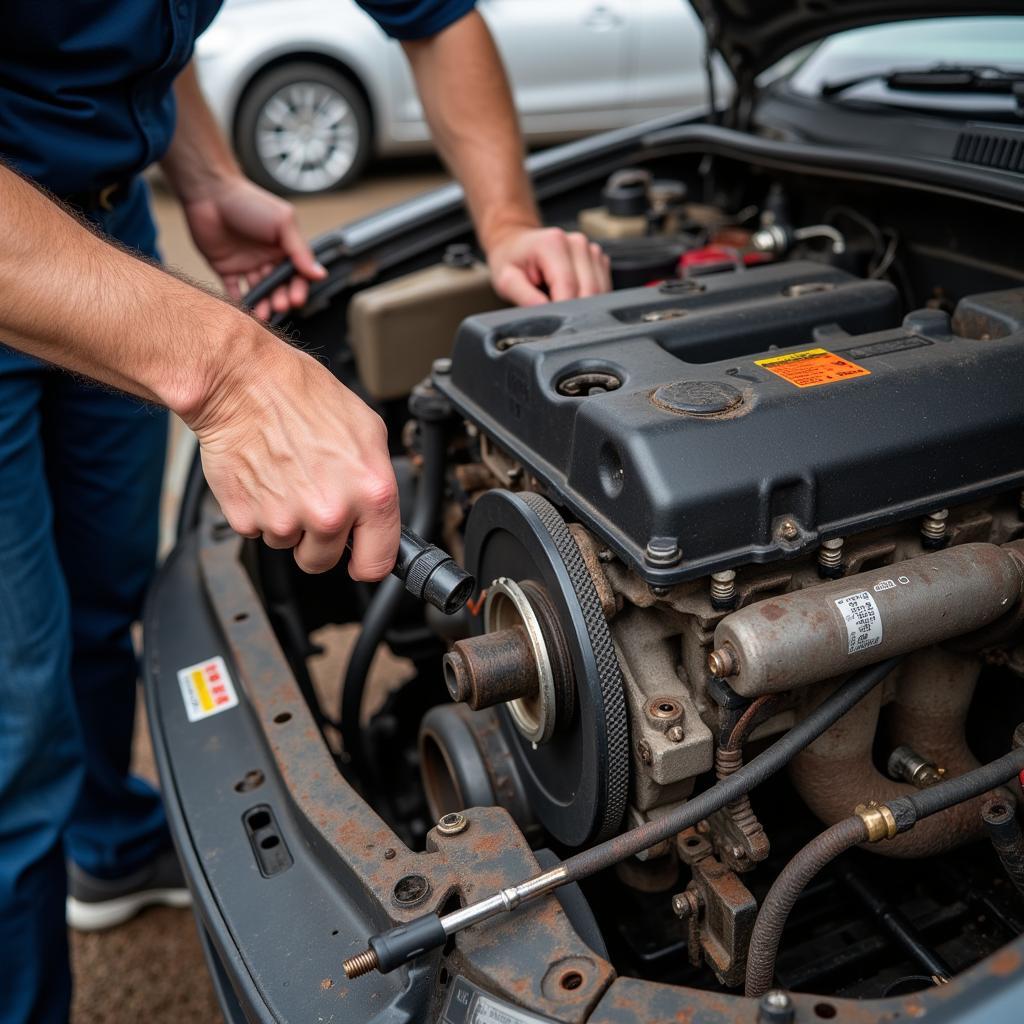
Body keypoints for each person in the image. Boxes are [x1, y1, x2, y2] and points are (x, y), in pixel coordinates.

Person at [0, 3, 609, 1021]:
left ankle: (107, 846)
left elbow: (437, 15)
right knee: (15, 716)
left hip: (108, 232)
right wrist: (231, 372)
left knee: (106, 601)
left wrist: (199, 172)